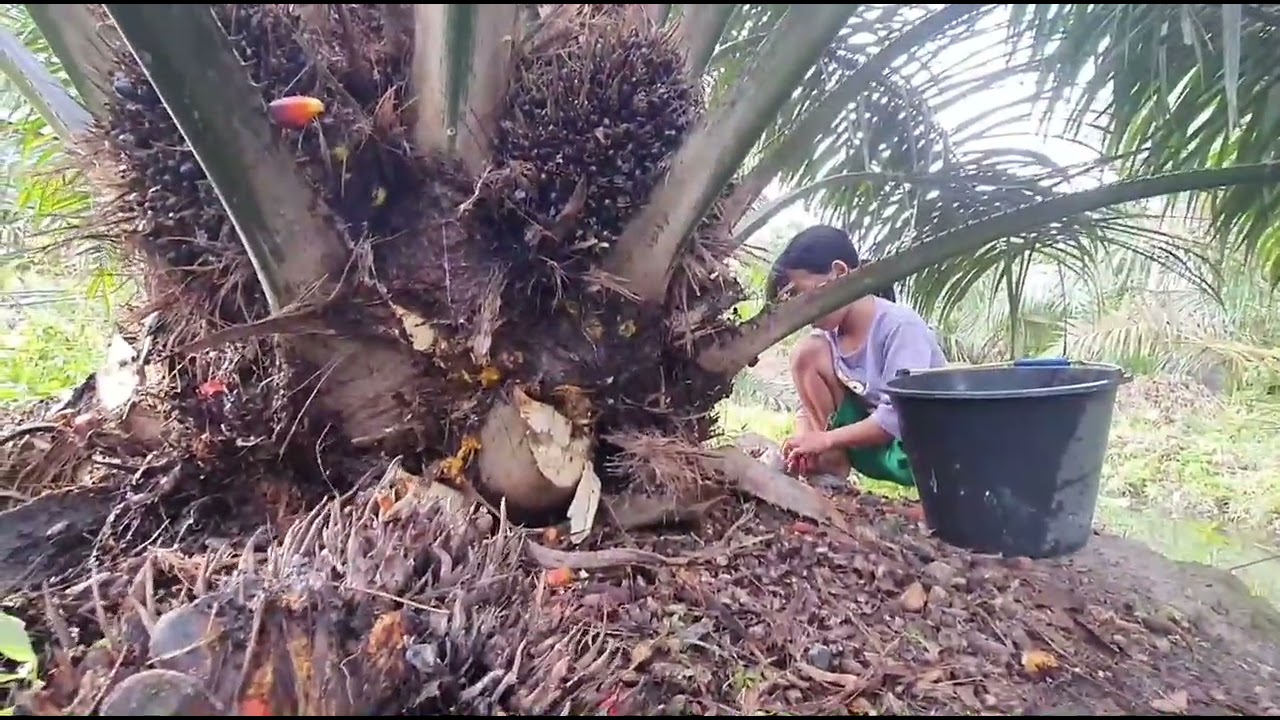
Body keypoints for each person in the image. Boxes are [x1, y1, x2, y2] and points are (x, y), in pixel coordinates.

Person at [764, 225, 947, 488]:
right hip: (873, 448)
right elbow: (807, 409)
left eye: (797, 295)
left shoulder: (900, 326)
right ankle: (828, 467)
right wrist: (807, 442)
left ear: (839, 273)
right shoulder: (828, 338)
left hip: (922, 454)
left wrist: (826, 439)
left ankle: (934, 502)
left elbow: (898, 417)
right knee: (806, 354)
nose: (797, 312)